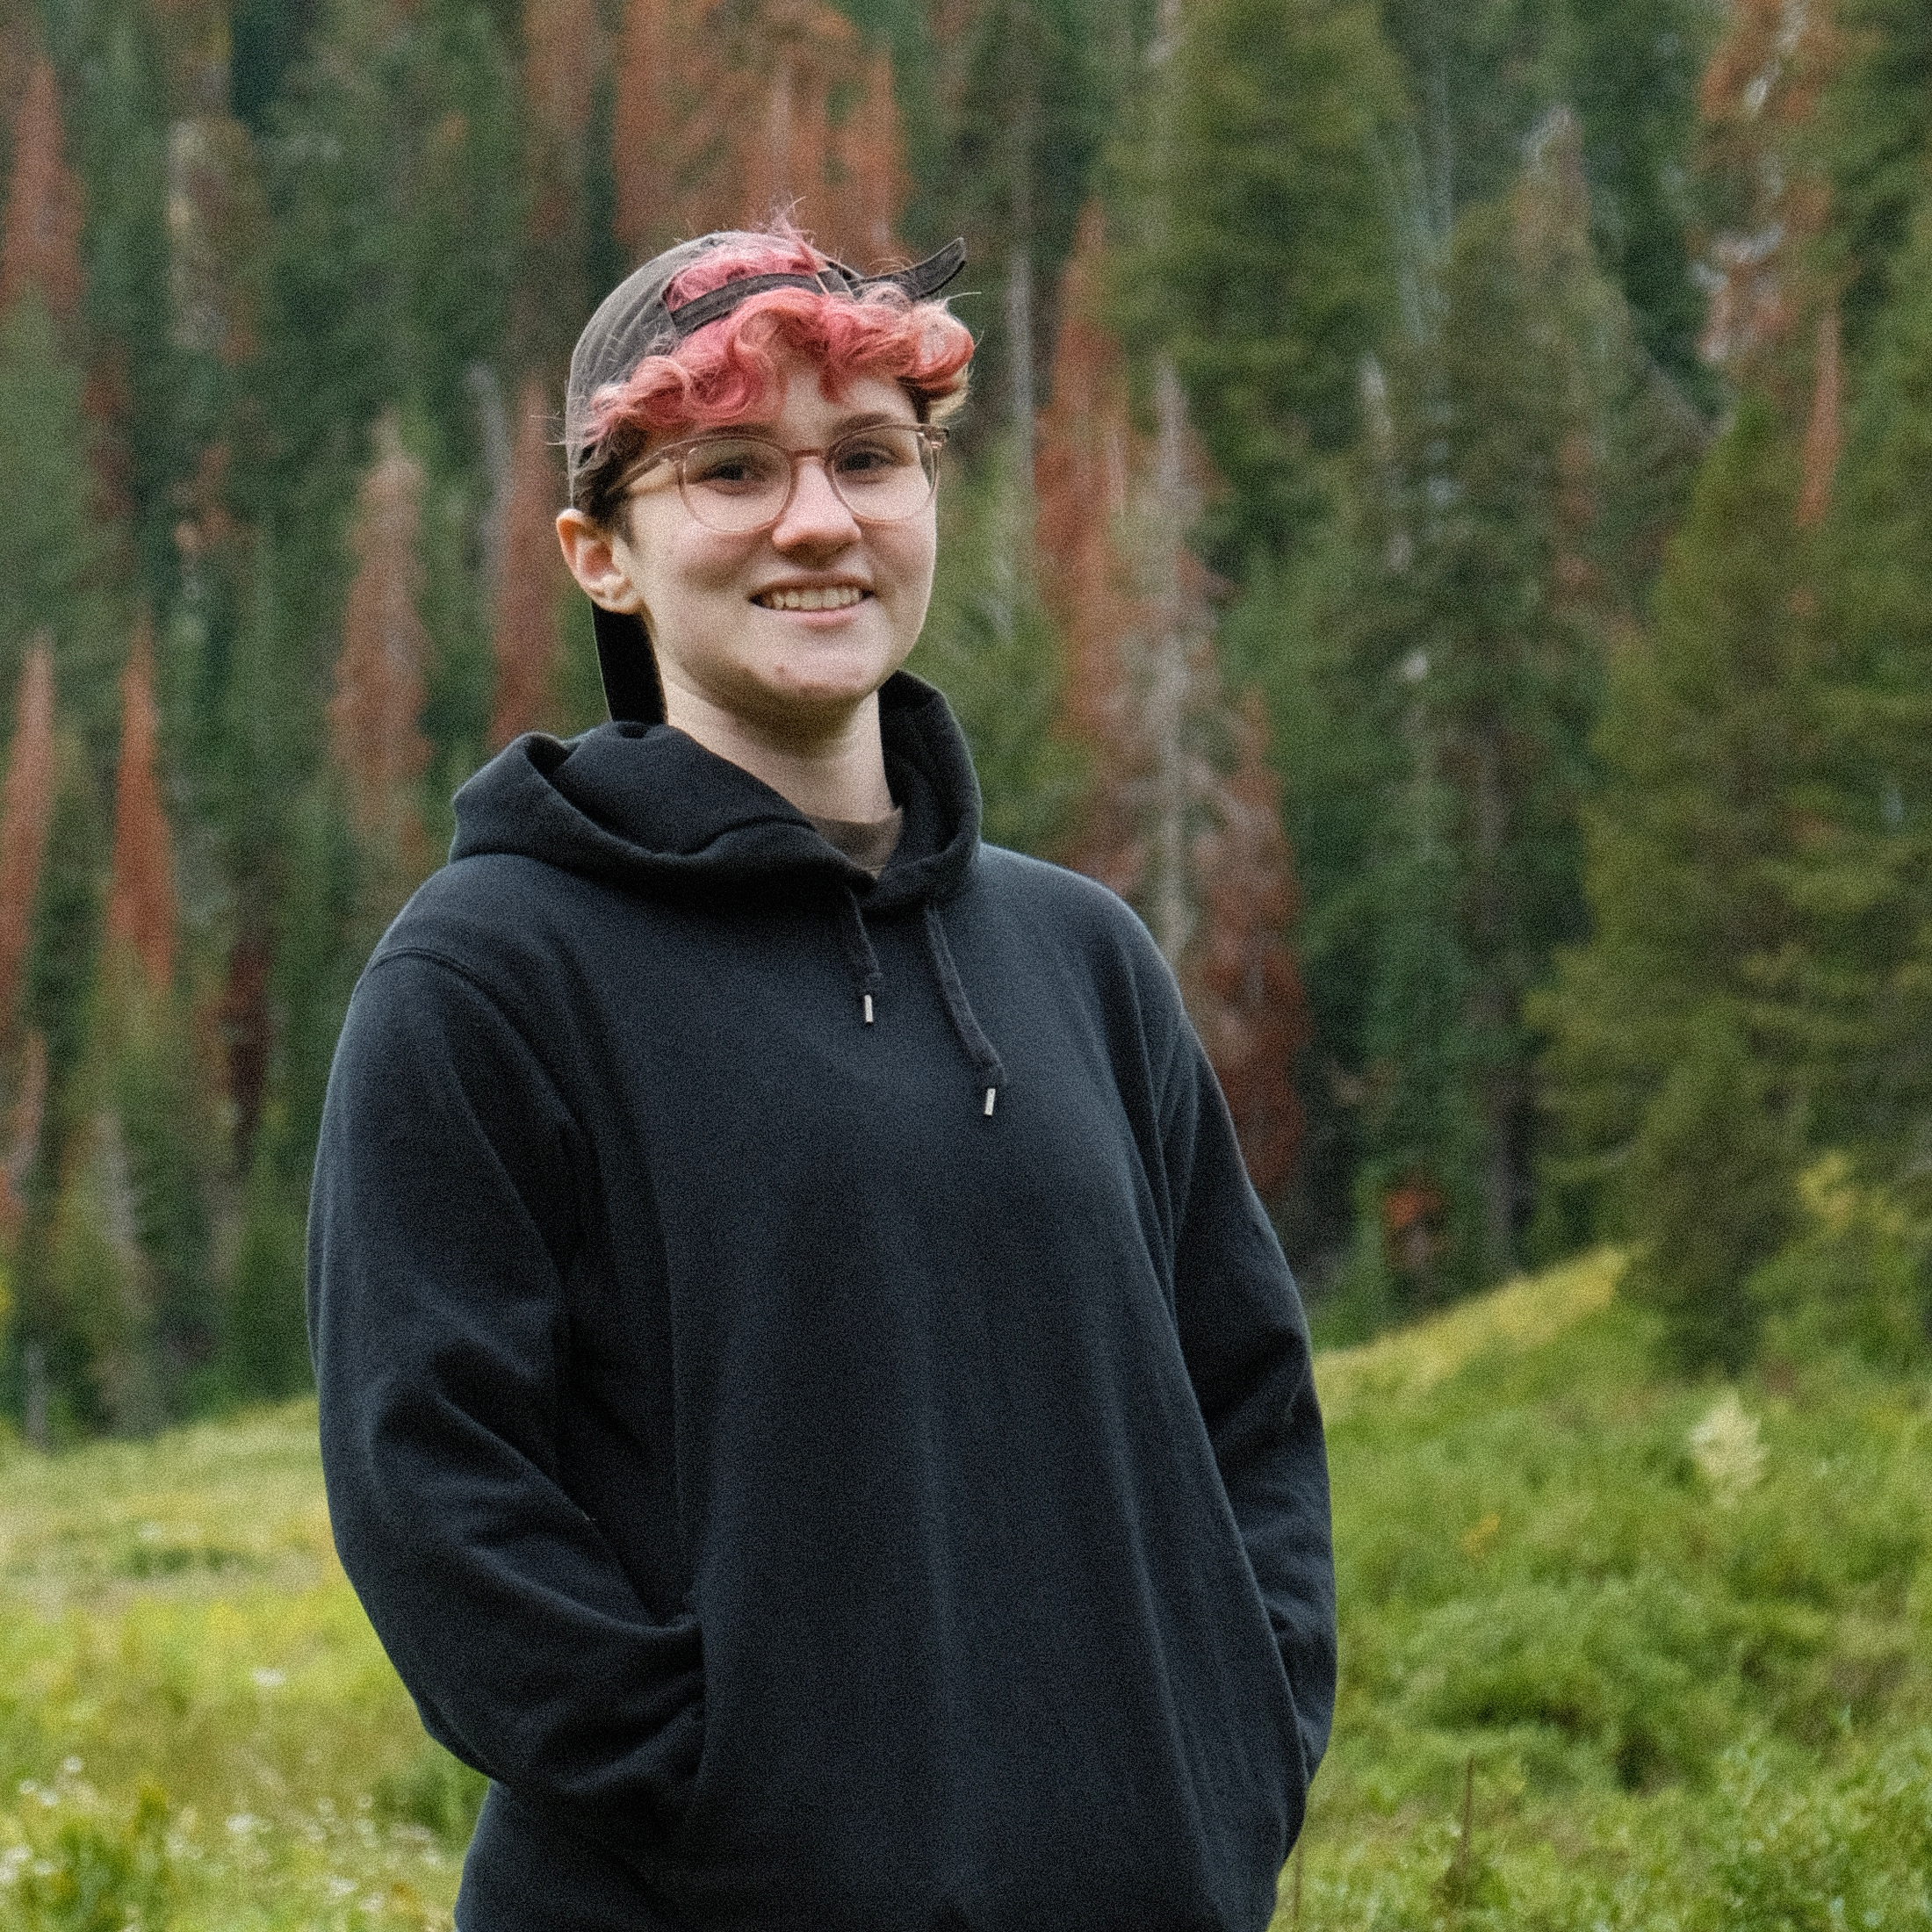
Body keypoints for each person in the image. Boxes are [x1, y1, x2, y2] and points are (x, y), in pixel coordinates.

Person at [308, 225, 1336, 1932]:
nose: (815, 518)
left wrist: (1236, 1744)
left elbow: (1248, 1411)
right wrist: (747, 1804)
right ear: (602, 554)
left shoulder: (1080, 959)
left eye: (867, 455)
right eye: (727, 468)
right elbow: (436, 1491)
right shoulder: (486, 975)